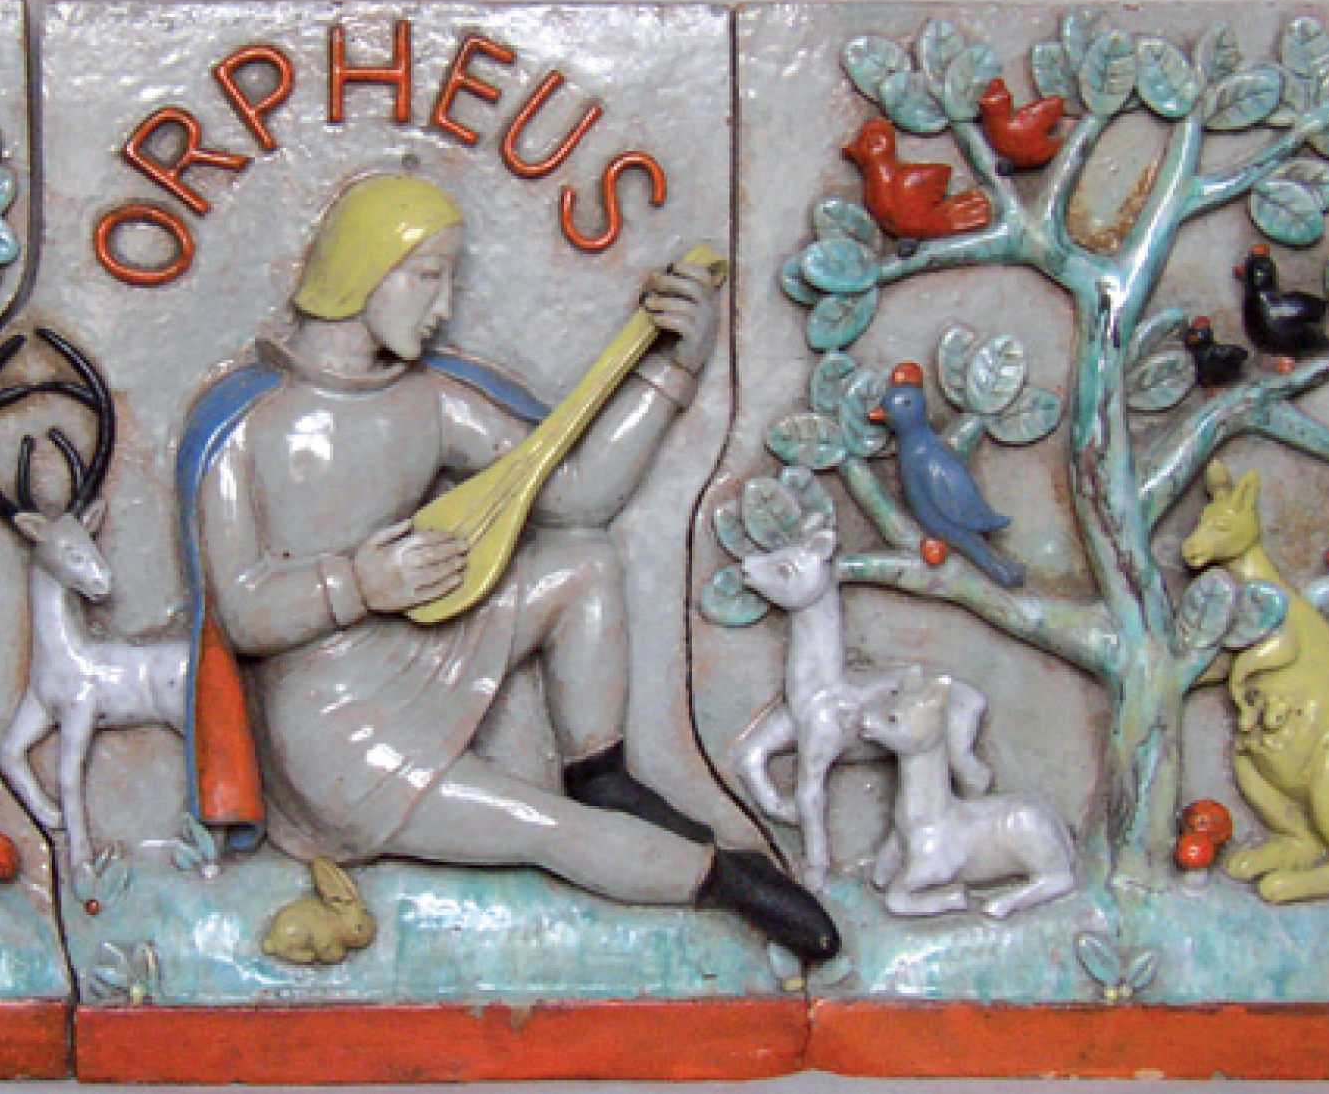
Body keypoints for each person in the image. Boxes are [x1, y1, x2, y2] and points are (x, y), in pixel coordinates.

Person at [181, 174, 838, 959]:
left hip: (414, 648)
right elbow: (241, 613)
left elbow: (576, 495)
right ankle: (727, 882)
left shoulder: (429, 400)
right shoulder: (244, 426)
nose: (443, 306)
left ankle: (601, 772)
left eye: (451, 280)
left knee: (583, 560)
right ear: (359, 271)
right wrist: (359, 584)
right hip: (335, 737)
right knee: (545, 830)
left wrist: (673, 370)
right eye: (428, 276)